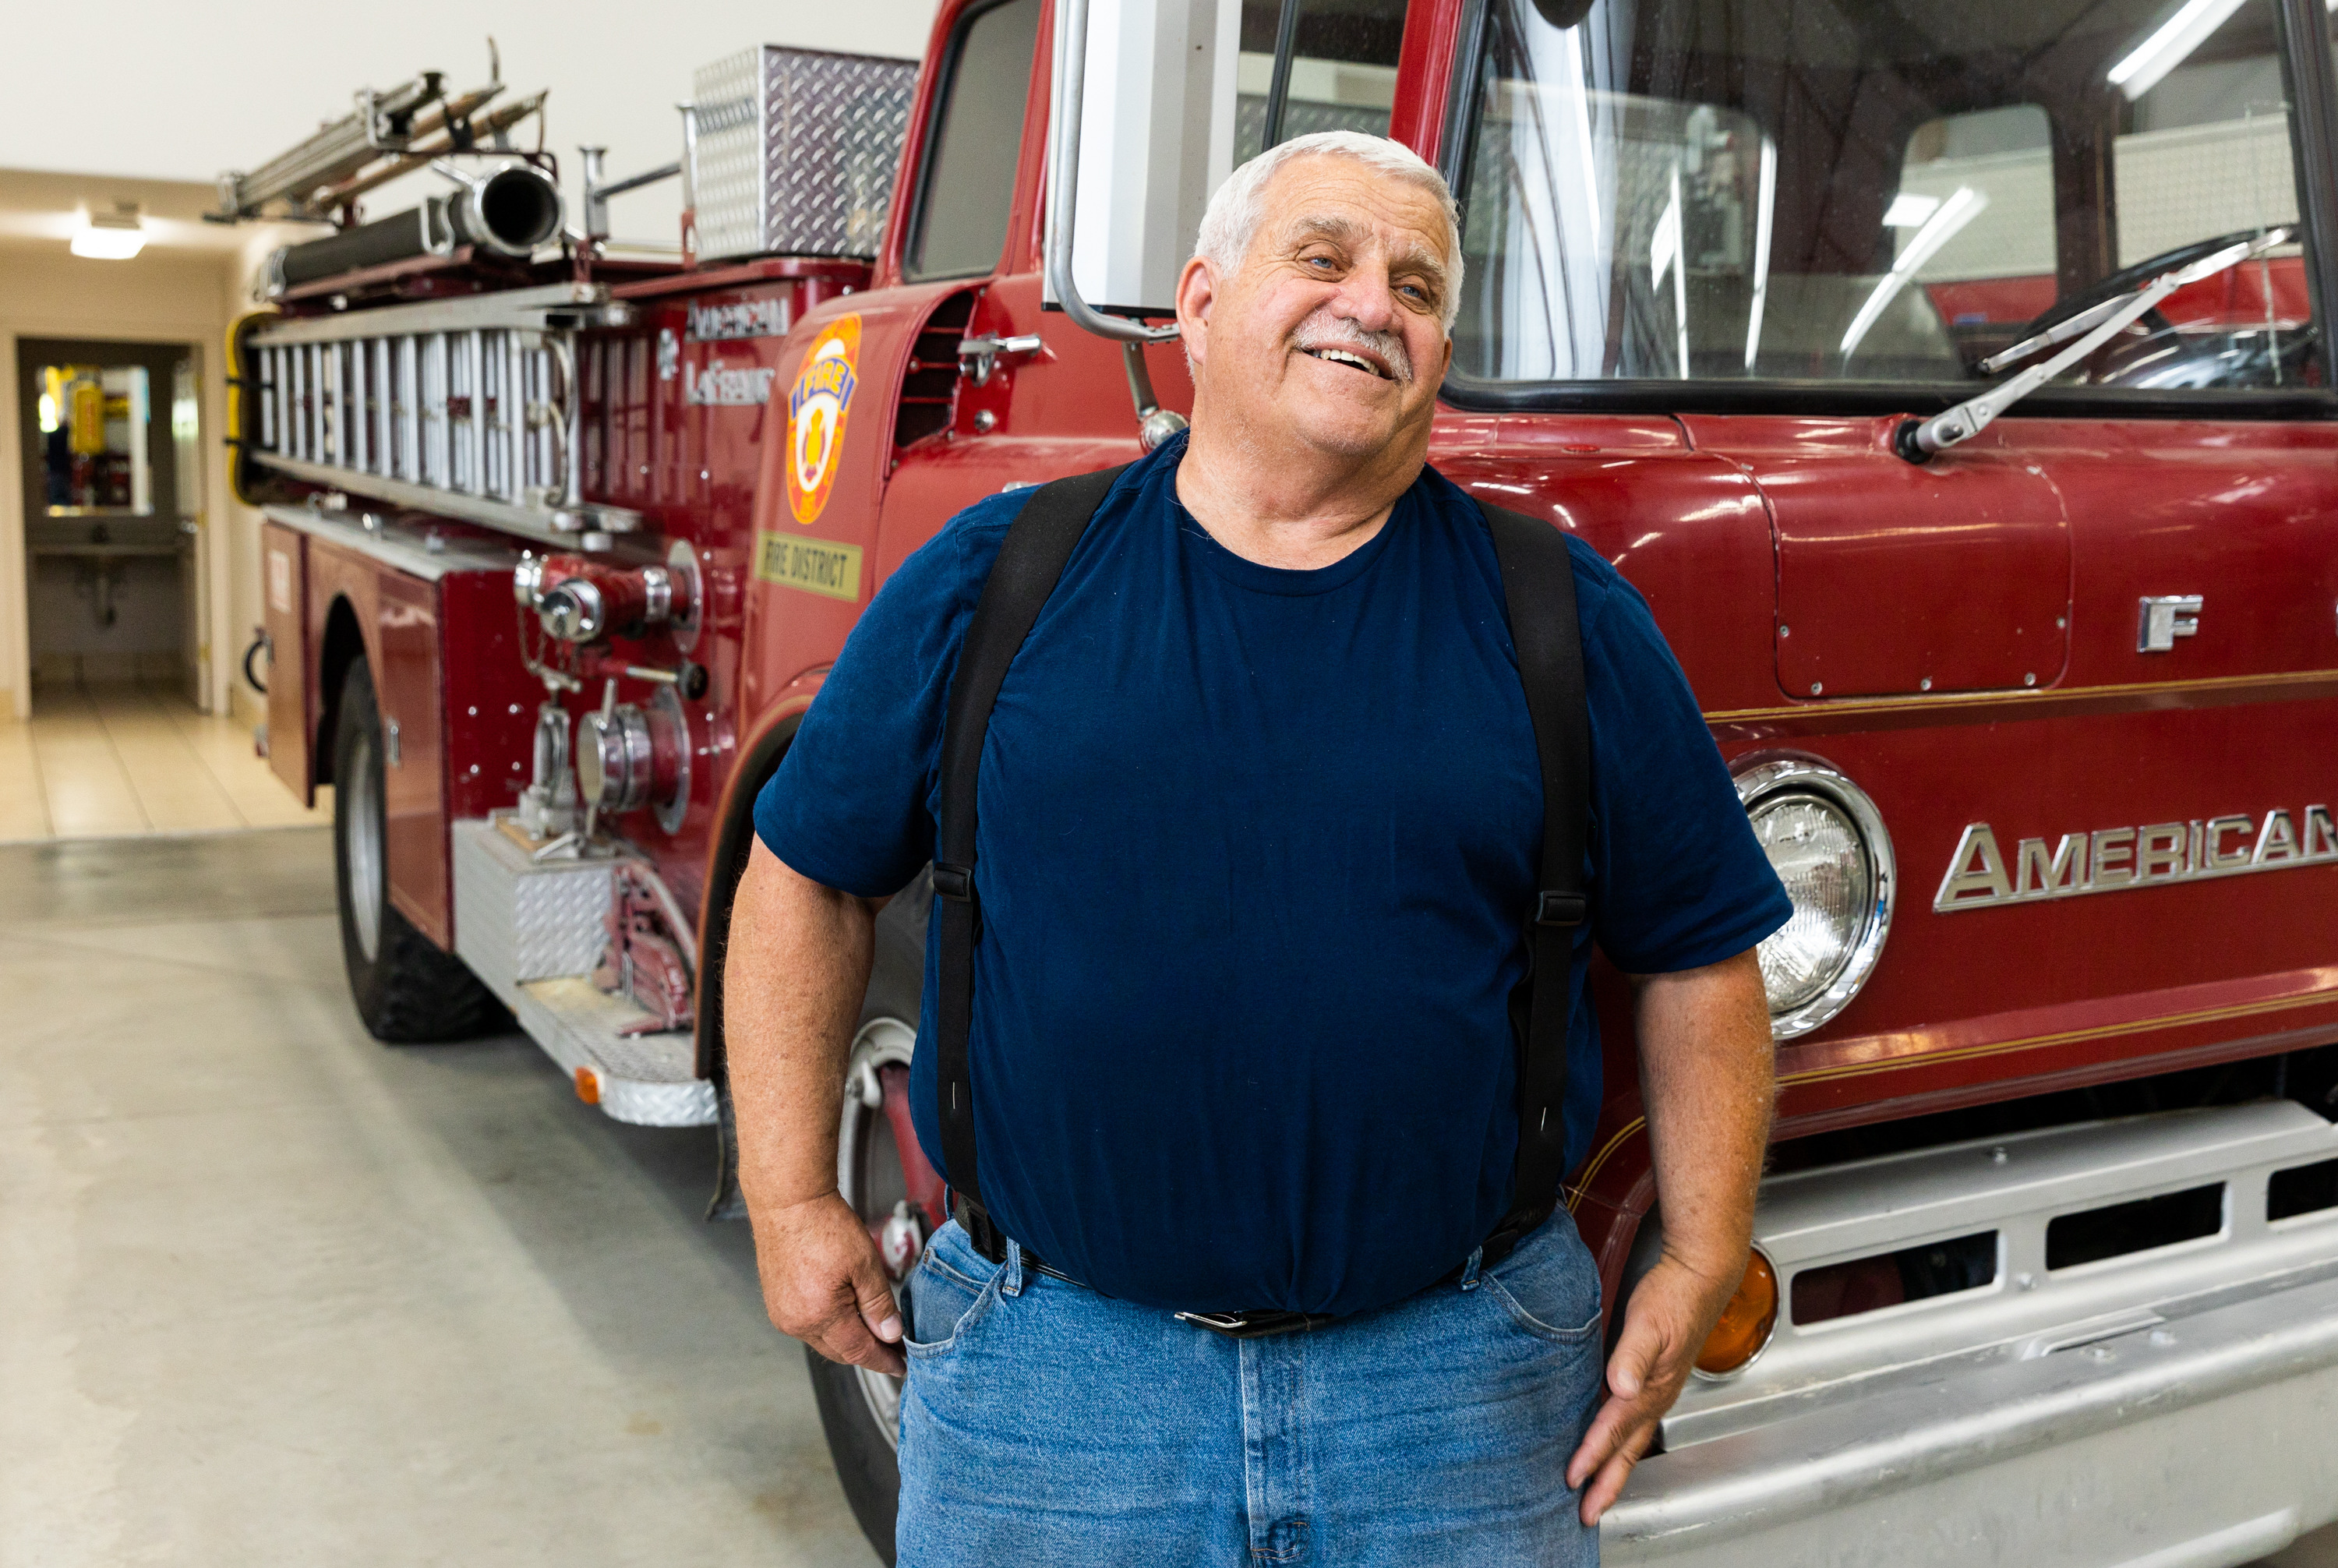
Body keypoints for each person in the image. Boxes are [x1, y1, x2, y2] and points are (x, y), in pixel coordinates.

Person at [727, 129, 1789, 1566]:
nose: (1374, 302)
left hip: (1455, 1392)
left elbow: (1698, 951)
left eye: (1417, 284)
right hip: (1055, 1389)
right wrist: (792, 1197)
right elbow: (806, 871)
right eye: (1324, 256)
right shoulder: (999, 578)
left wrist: (1708, 1245)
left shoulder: (1560, 615)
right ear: (1202, 303)